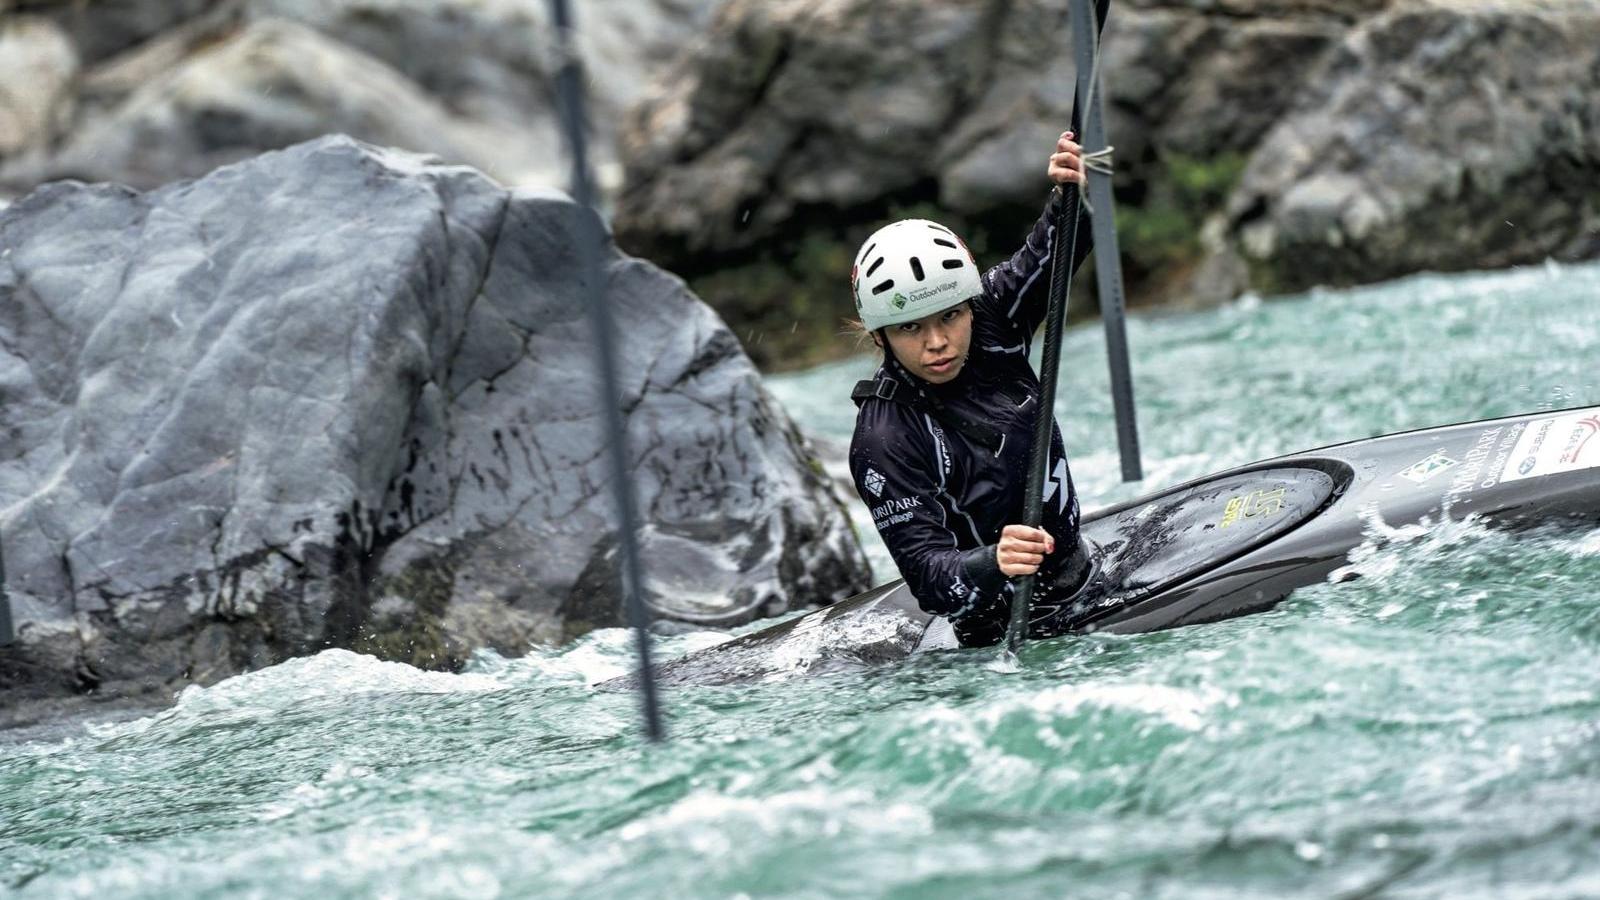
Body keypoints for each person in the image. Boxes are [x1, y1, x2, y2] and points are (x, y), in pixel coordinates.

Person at [847, 130, 1094, 648]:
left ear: (968, 305)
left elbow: (1055, 251)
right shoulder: (885, 438)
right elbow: (928, 577)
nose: (937, 342)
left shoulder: (990, 319)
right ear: (880, 336)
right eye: (910, 328)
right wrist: (993, 562)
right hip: (1002, 628)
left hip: (1082, 571)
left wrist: (1070, 191)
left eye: (949, 317)